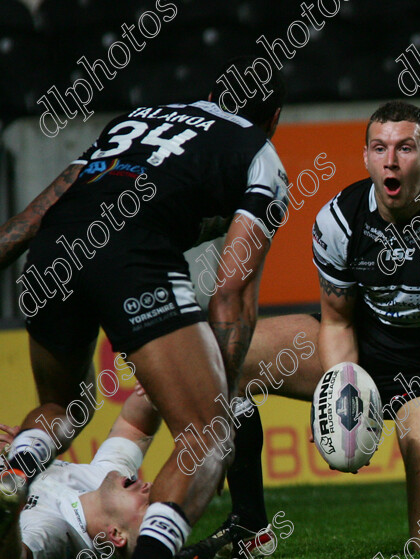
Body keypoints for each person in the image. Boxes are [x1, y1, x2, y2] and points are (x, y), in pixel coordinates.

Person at [183, 100, 420, 558]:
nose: (391, 160)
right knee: (221, 357)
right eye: (379, 148)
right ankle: (249, 528)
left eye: (405, 148)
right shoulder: (338, 221)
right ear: (366, 156)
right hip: (363, 347)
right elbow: (337, 319)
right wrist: (338, 388)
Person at [0, 56, 289, 559]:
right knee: (205, 437)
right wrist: (218, 400)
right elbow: (230, 292)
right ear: (275, 119)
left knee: (66, 406)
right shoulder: (259, 152)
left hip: (52, 254)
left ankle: (16, 471)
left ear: (214, 98)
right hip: (130, 256)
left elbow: (30, 219)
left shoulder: (136, 120)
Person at [1, 386, 160, 559]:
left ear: (116, 534)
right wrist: (155, 382)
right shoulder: (109, 479)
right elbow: (135, 427)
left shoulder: (59, 535)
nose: (149, 486)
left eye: (148, 503)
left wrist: (10, 510)